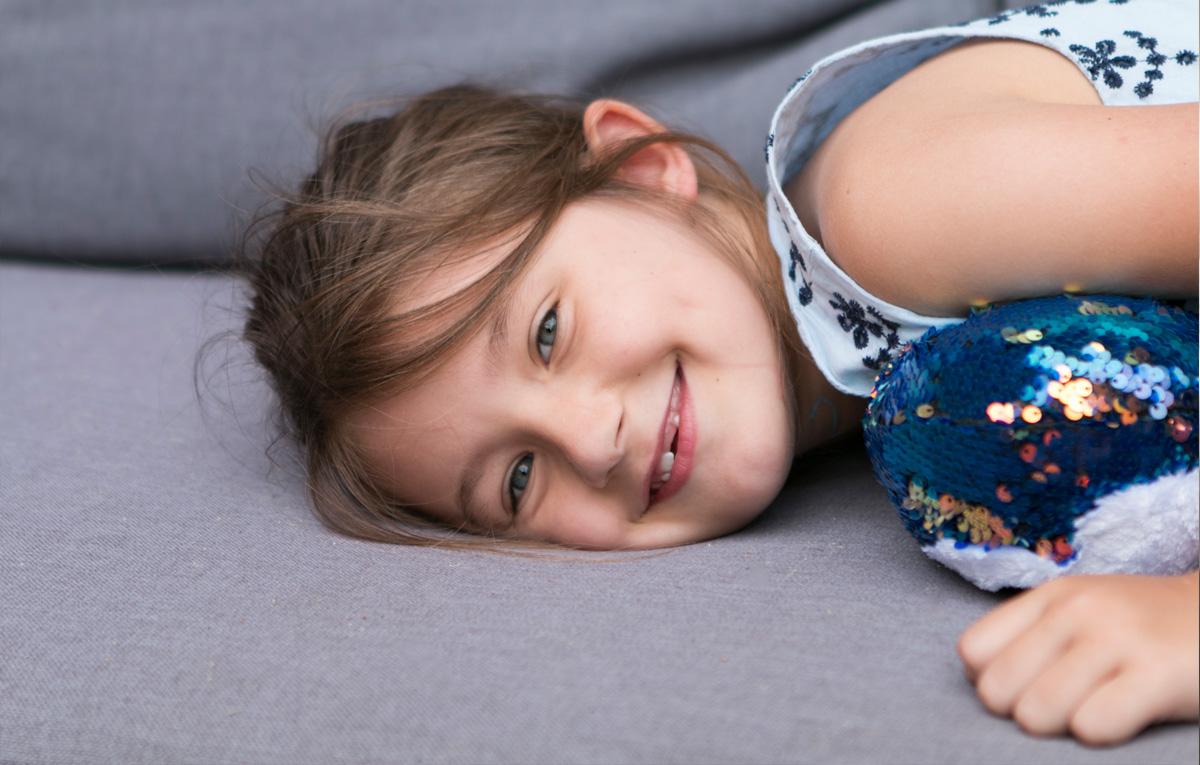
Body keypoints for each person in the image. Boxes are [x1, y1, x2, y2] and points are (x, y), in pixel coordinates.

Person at [233, 0, 1198, 747]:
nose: (590, 438)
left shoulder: (897, 209)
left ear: (641, 171)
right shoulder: (899, 399)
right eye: (517, 478)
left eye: (546, 332)